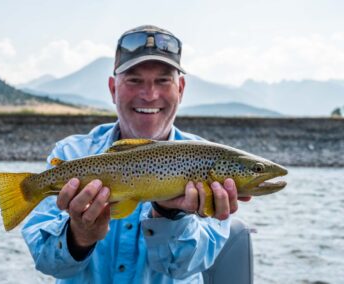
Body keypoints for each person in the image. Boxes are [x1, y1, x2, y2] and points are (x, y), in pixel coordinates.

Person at [22, 25, 251, 283]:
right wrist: (79, 236)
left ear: (181, 89)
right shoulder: (71, 154)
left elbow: (184, 268)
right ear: (112, 89)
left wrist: (169, 215)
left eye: (163, 80)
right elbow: (45, 260)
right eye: (134, 80)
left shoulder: (208, 159)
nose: (149, 94)